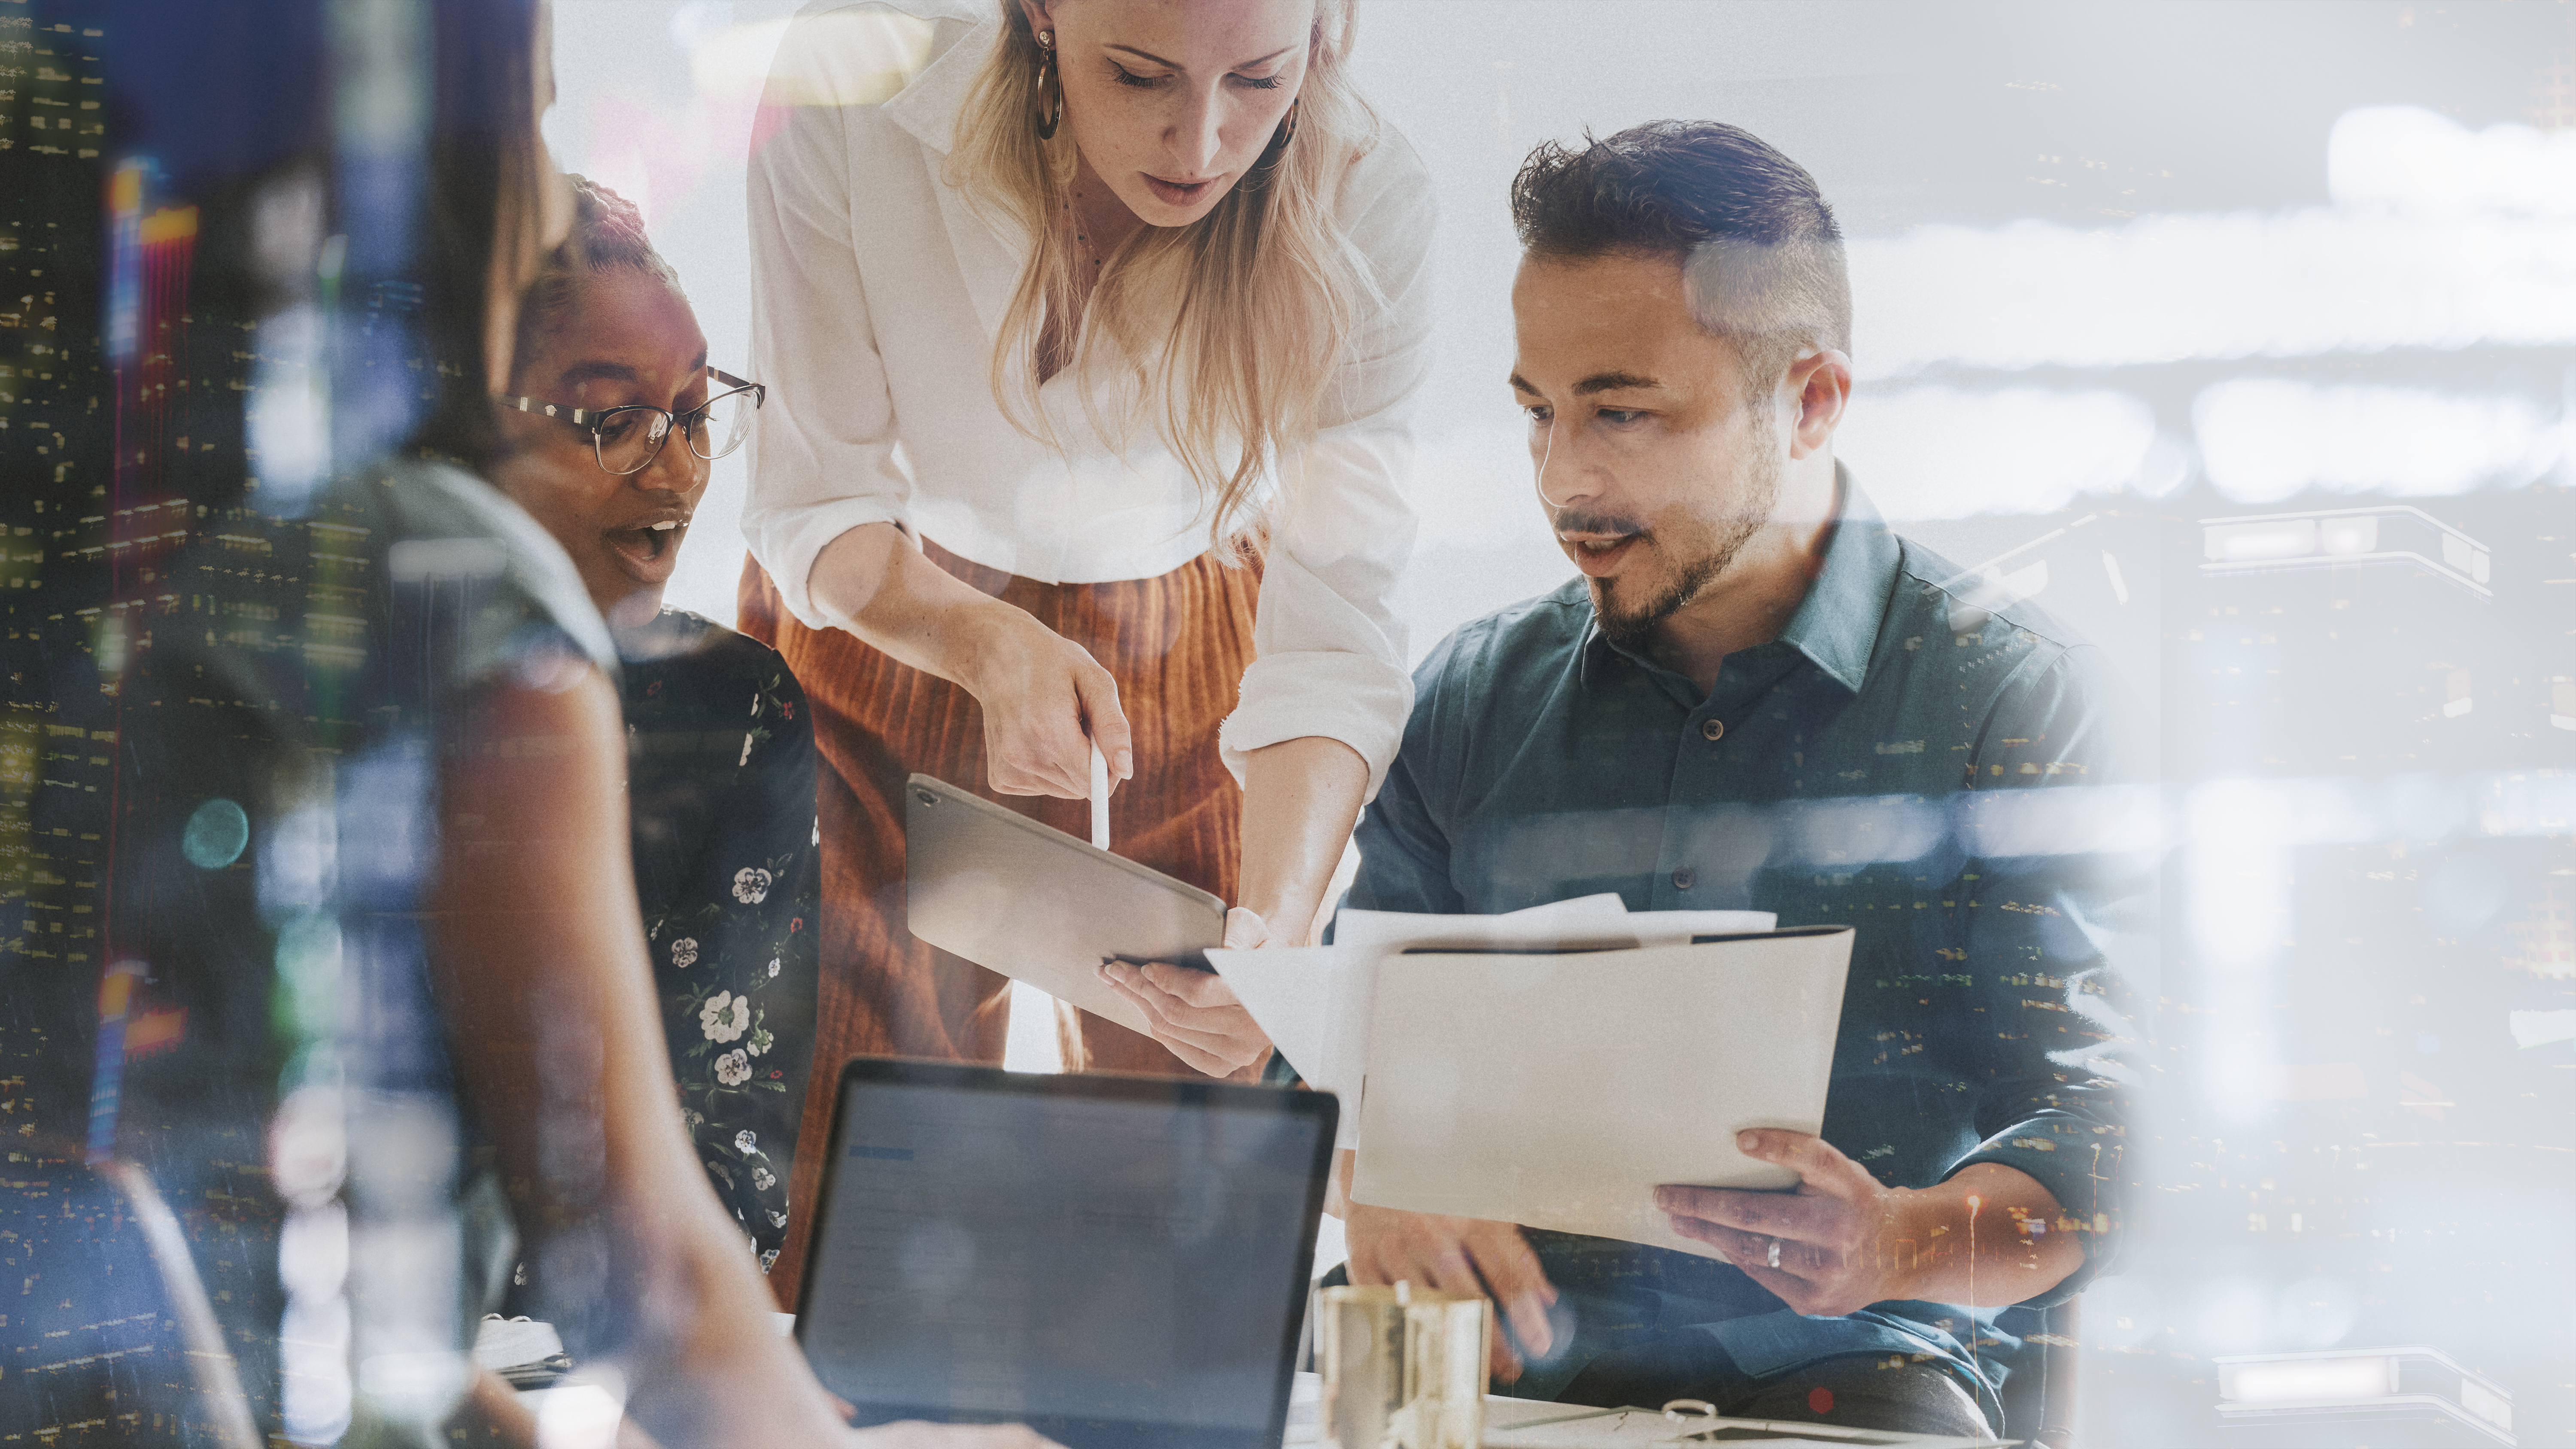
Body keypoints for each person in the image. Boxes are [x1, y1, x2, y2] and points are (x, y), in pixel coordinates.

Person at [99, 0, 1050, 1443]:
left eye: (692, 411)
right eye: (530, 119)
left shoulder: (127, 546)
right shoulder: (461, 597)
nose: (548, 188)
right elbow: (651, 1276)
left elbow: (242, 1231)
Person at [1336, 121, 2147, 1440]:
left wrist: (1904, 1243)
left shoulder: (2012, 695)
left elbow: (2118, 1126)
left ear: (1812, 401)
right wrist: (1371, 1173)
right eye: (1538, 412)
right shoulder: (1472, 694)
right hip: (1479, 1368)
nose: (1564, 482)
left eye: (1624, 413)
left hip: (1846, 1374)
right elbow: (1335, 1046)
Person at [741, 0, 1432, 1289]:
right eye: (1140, 74)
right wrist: (978, 640)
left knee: (1190, 1247)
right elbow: (809, 503)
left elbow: (1336, 637)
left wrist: (1277, 938)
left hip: (1205, 661)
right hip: (881, 626)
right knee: (835, 1216)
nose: (1202, 138)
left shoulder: (1371, 197)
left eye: (1260, 79)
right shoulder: (854, 68)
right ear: (1039, 14)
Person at [489, 175, 819, 1283]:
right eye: (613, 421)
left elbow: (733, 1174)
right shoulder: (278, 683)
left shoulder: (732, 710)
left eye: (692, 413)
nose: (677, 474)